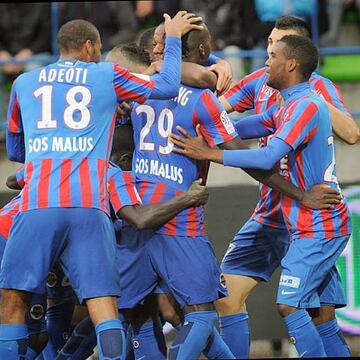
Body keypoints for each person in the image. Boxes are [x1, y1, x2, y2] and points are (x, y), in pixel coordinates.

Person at [0, 13, 202, 360]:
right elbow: (169, 86)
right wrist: (171, 38)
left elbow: (17, 151)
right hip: (89, 207)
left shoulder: (24, 82)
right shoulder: (106, 75)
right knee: (104, 308)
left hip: (37, 206)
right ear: (91, 47)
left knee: (13, 303)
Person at [170, 34, 352, 358]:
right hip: (286, 218)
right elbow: (238, 127)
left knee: (297, 307)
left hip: (318, 224)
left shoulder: (308, 105)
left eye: (273, 54)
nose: (266, 60)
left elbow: (267, 158)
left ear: (292, 63)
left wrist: (211, 154)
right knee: (232, 296)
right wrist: (201, 117)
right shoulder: (285, 102)